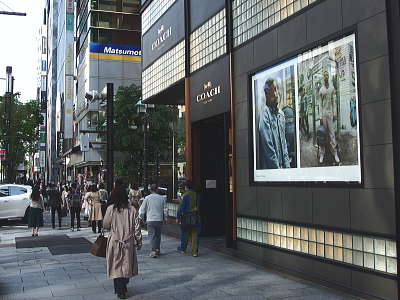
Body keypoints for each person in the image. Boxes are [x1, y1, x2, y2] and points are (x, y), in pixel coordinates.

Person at [103, 185, 142, 299]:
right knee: (127, 263)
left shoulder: (111, 209)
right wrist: (139, 240)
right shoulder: (132, 210)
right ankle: (124, 282)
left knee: (116, 264)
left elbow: (105, 224)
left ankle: (120, 289)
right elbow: (136, 227)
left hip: (115, 240)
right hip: (128, 241)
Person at [258, 78, 290, 169]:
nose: (276, 95)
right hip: (271, 171)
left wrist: (287, 167)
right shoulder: (265, 115)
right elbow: (269, 149)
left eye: (275, 90)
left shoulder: (281, 114)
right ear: (267, 95)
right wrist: (277, 171)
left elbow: (284, 144)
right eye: (272, 93)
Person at [138, 184, 168, 258]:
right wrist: (166, 218)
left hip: (150, 219)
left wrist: (140, 218)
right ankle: (157, 248)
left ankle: (153, 250)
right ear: (157, 190)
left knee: (152, 235)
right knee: (158, 234)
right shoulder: (161, 198)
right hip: (159, 219)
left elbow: (142, 209)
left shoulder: (147, 198)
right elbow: (165, 209)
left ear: (150, 190)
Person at [175, 180, 201, 257]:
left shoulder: (185, 196)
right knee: (195, 235)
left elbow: (181, 207)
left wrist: (178, 217)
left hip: (186, 217)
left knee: (185, 234)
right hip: (196, 217)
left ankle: (183, 249)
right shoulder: (197, 195)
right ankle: (194, 251)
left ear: (186, 187)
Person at [319, 71, 340, 164]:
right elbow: (320, 104)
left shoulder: (332, 88)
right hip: (323, 114)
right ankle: (322, 154)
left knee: (332, 134)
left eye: (327, 75)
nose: (326, 77)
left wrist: (334, 113)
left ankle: (334, 153)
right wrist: (320, 116)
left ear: (328, 77)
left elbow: (334, 102)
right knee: (323, 135)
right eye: (325, 75)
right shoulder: (321, 90)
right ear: (323, 77)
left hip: (330, 113)